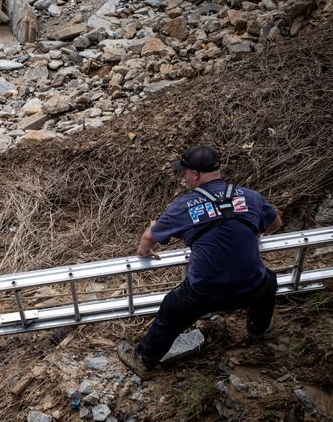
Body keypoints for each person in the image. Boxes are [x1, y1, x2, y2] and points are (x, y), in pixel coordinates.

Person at [117, 145, 282, 378]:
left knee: (171, 310)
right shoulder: (251, 197)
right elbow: (275, 223)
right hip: (250, 287)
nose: (184, 178)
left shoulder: (184, 205)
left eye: (184, 173)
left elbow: (149, 237)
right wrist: (253, 233)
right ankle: (257, 331)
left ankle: (144, 360)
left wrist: (144, 251)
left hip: (206, 293)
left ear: (194, 174)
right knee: (269, 280)